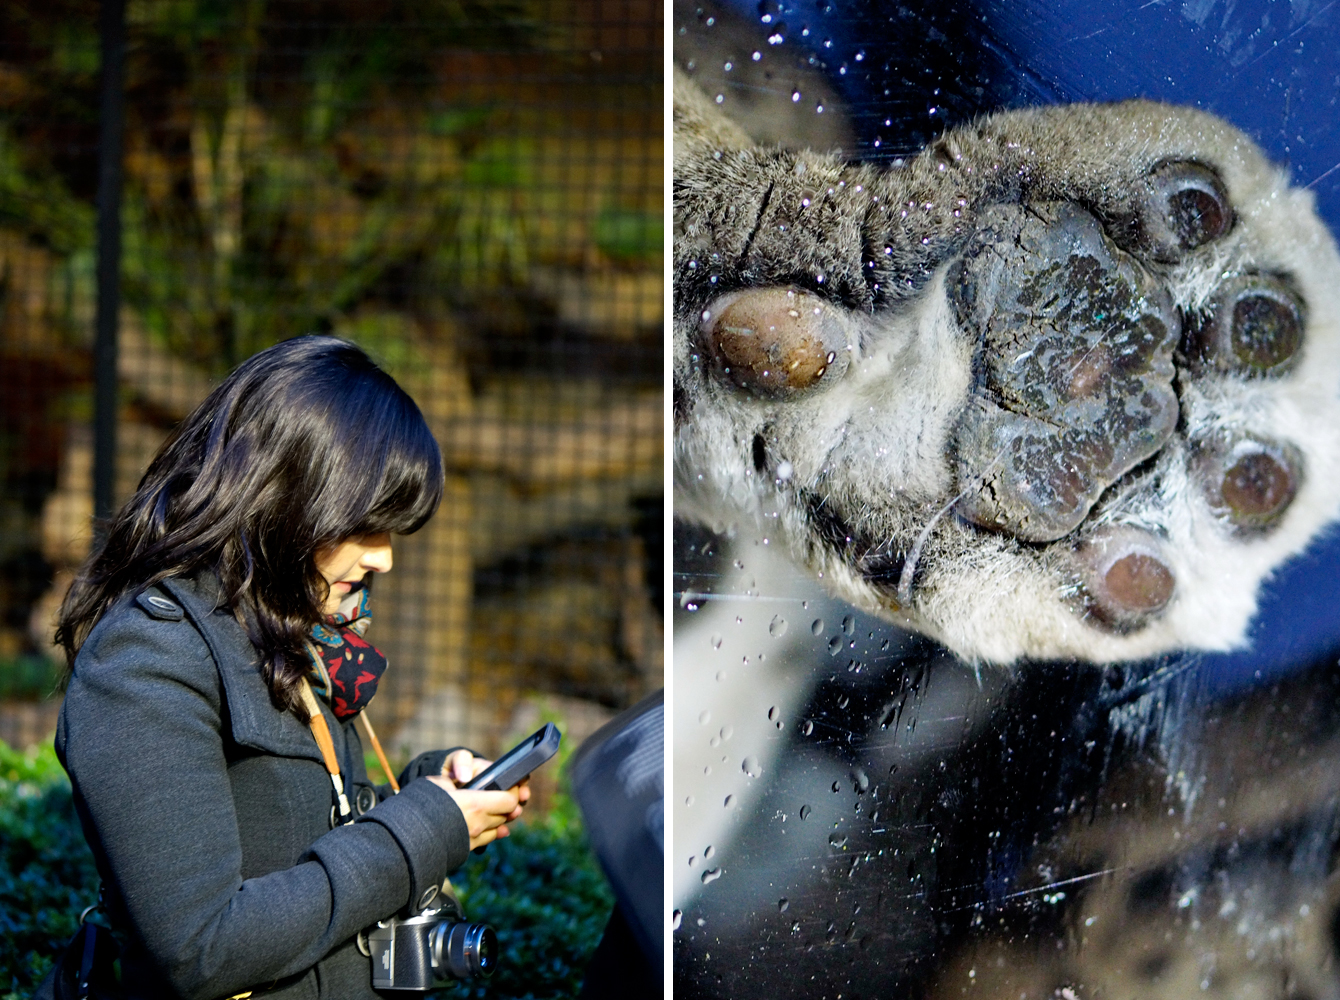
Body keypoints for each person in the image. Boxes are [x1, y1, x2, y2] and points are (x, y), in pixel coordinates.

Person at [46, 335, 527, 999]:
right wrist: (420, 829)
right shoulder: (146, 657)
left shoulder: (283, 625)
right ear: (285, 498)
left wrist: (433, 794)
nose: (384, 557)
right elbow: (202, 949)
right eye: (366, 524)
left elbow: (293, 837)